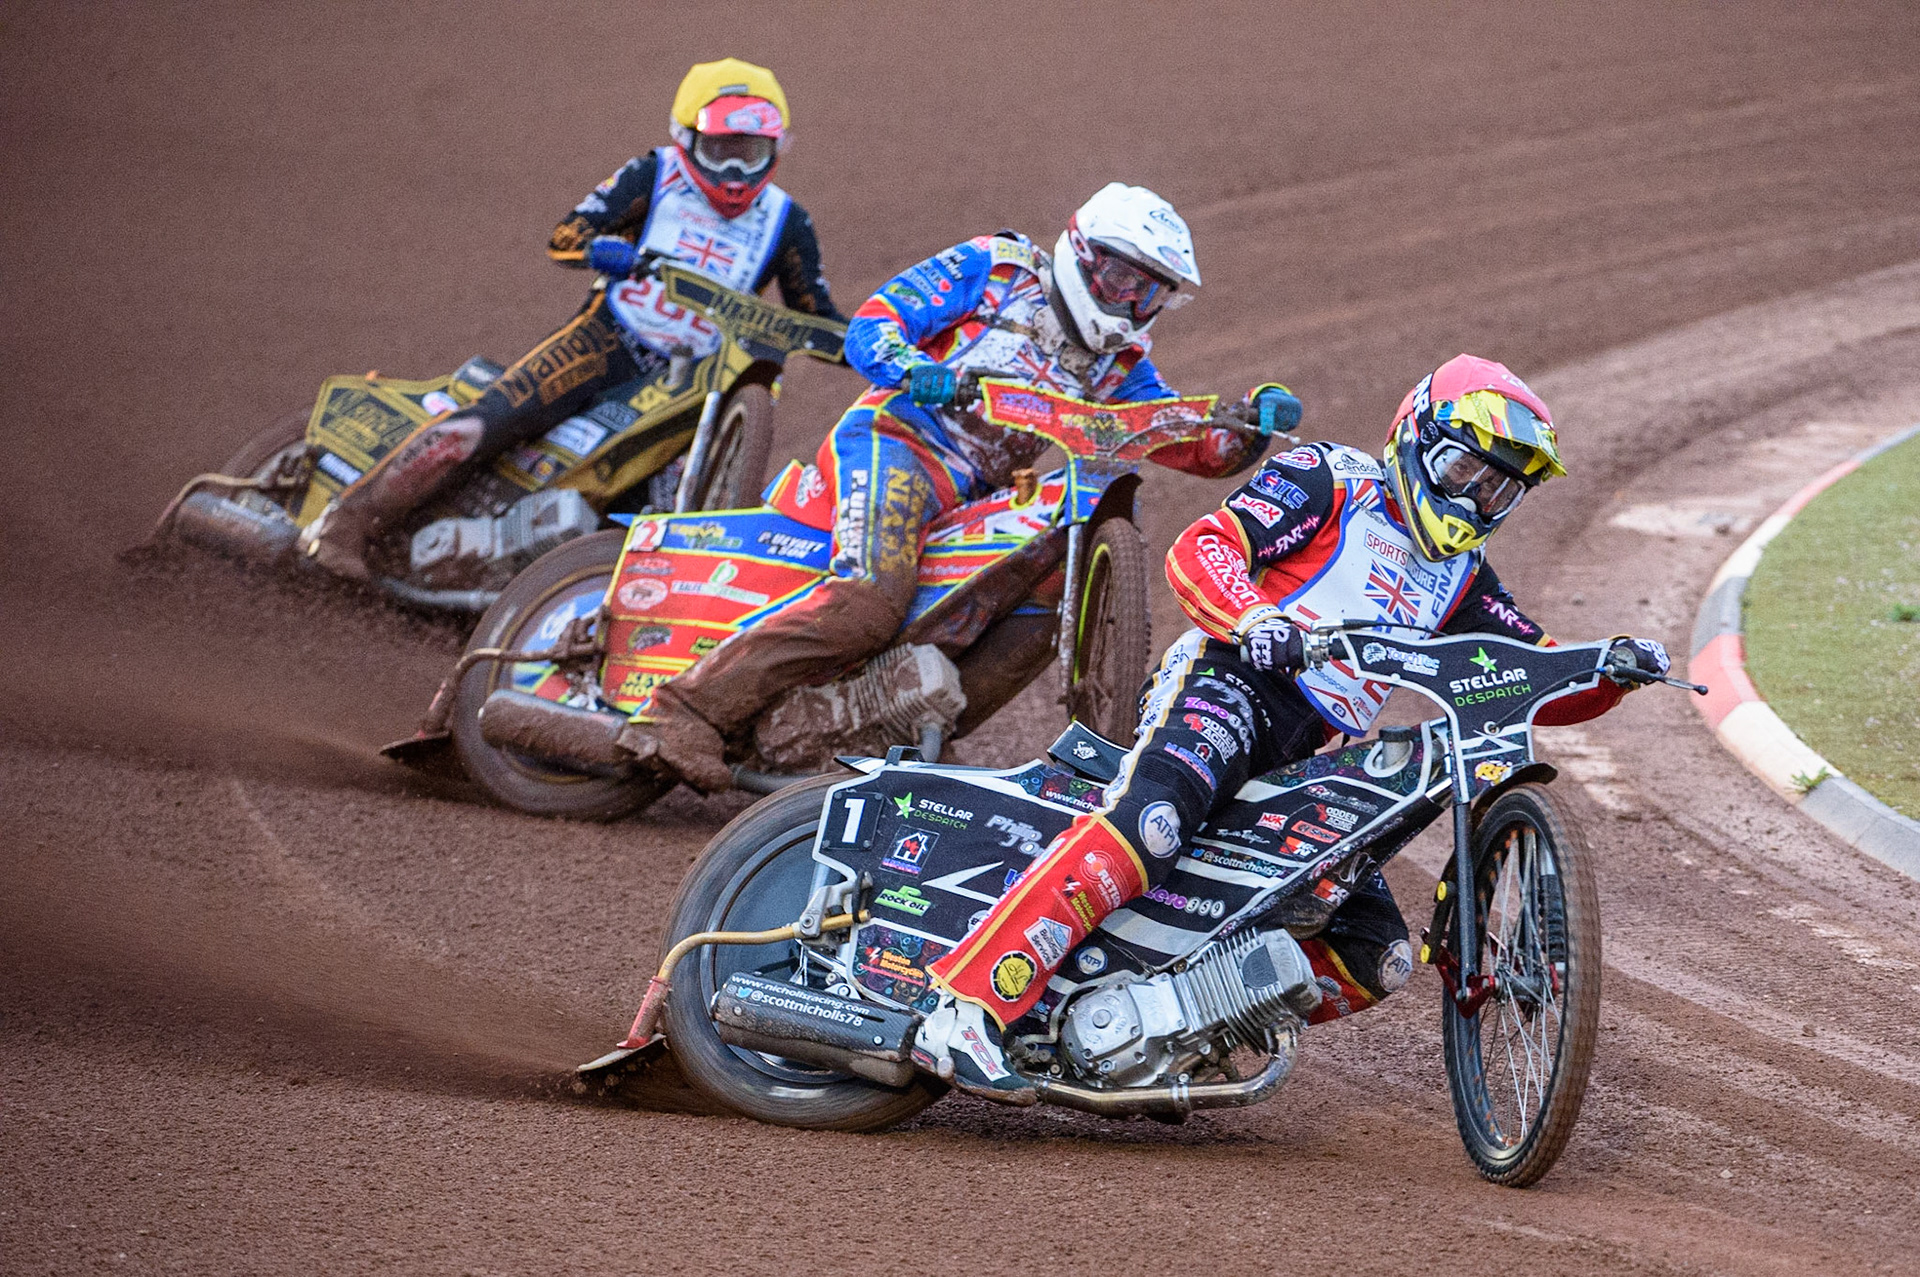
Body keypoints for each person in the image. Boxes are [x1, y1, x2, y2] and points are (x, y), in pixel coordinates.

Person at [913, 353, 1673, 1097]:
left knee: (1372, 951)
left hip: (1308, 751)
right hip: (1231, 681)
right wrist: (1255, 618)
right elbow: (1203, 547)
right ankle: (967, 1005)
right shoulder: (1329, 479)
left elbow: (1528, 667)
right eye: (1464, 472)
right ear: (1415, 437)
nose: (1474, 501)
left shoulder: (1464, 577)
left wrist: (1608, 669)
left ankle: (1174, 1024)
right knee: (1151, 823)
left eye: (1498, 490)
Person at [618, 182, 1298, 793]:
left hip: (980, 497)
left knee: (1042, 606)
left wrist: (1244, 425)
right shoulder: (997, 269)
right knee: (869, 601)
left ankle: (885, 733)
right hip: (899, 444)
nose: (1128, 301)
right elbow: (874, 324)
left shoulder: (1120, 365)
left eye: (1148, 292)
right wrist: (915, 367)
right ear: (1082, 252)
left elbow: (1177, 439)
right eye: (1120, 277)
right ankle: (683, 711)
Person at [301, 57, 842, 581]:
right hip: (605, 340)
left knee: (641, 496)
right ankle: (344, 524)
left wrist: (876, 343)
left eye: (749, 152)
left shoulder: (788, 221)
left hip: (686, 380)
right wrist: (604, 250)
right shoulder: (653, 175)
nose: (733, 170)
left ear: (774, 148)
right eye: (721, 149)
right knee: (484, 425)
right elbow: (567, 235)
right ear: (686, 138)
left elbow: (815, 314)